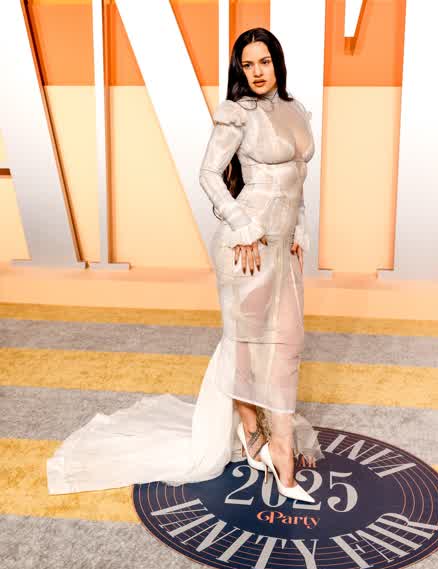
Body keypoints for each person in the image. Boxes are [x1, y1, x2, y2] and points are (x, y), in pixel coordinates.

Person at [46, 27, 324, 501]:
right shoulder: (236, 113)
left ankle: (270, 438)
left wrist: (300, 226)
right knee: (244, 341)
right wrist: (242, 224)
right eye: (248, 64)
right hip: (245, 245)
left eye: (264, 62)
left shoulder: (296, 110)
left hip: (283, 245)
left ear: (277, 62)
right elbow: (209, 173)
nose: (257, 72)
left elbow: (298, 178)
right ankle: (256, 435)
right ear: (240, 69)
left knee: (286, 343)